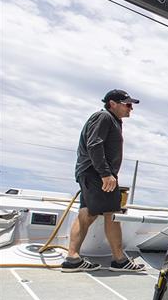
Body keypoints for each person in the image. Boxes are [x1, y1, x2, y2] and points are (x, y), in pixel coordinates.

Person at [61, 90, 145, 272]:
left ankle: (73, 258)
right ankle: (119, 260)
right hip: (96, 174)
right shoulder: (103, 117)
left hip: (94, 173)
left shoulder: (113, 121)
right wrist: (106, 174)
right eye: (128, 104)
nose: (131, 108)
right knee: (111, 213)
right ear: (113, 103)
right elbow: (94, 144)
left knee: (90, 212)